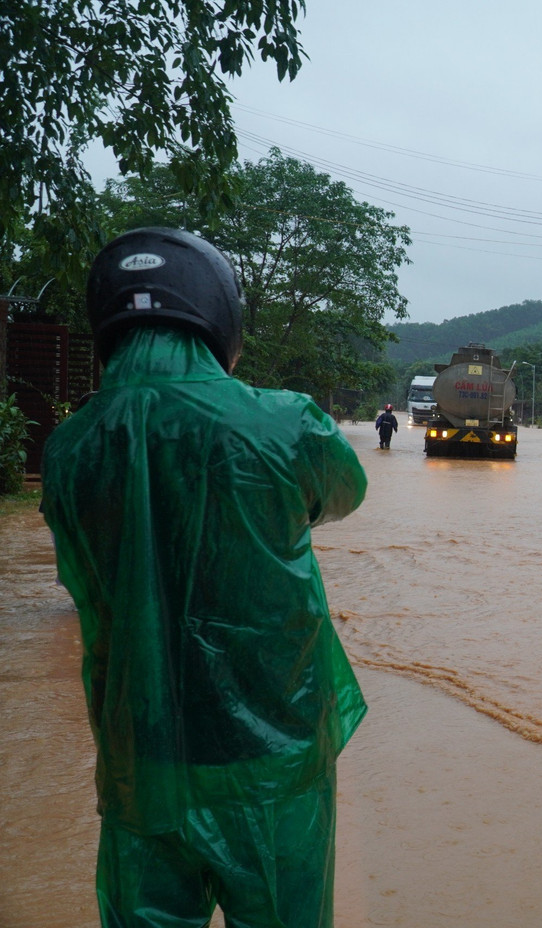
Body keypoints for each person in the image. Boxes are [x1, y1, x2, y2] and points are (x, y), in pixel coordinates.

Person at [41, 227, 368, 928]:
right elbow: (343, 493)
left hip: (141, 756)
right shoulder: (285, 425)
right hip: (271, 756)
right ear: (220, 324)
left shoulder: (70, 449)